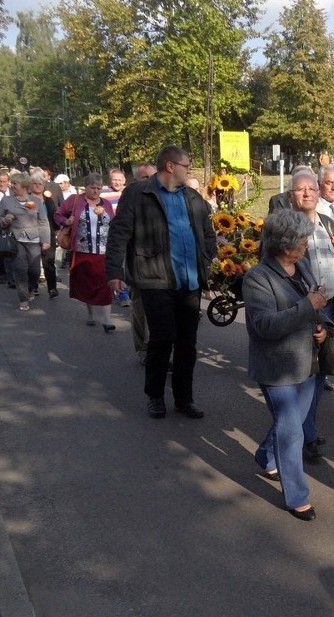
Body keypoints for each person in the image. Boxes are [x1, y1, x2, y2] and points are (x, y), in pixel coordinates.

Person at [105, 145, 216, 419]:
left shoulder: (192, 197)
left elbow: (208, 232)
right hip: (154, 278)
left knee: (187, 343)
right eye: (186, 165)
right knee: (163, 338)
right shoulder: (138, 194)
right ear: (170, 166)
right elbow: (119, 233)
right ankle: (155, 395)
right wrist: (114, 271)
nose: (188, 170)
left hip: (189, 281)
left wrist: (206, 257)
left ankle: (184, 398)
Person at [244, 210, 329, 521]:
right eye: (301, 241)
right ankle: (297, 496)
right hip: (276, 367)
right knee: (292, 429)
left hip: (309, 361)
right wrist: (309, 306)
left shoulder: (301, 265)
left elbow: (317, 307)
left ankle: (266, 454)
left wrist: (321, 326)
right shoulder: (258, 277)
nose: (306, 245)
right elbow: (264, 325)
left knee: (292, 421)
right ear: (282, 244)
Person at [287, 171, 334, 457]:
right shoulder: (287, 227)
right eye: (300, 190)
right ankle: (301, 438)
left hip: (330, 305)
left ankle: (307, 430)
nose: (307, 194)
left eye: (311, 188)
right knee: (307, 375)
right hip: (305, 308)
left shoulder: (328, 222)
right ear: (292, 195)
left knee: (321, 372)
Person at [54, 173, 116, 328]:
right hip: (82, 251)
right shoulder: (75, 201)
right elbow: (57, 215)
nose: (95, 191)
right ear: (85, 187)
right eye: (92, 188)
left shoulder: (106, 204)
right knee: (87, 284)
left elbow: (114, 223)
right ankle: (90, 314)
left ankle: (107, 320)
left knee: (104, 284)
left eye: (98, 188)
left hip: (103, 251)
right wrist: (66, 221)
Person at [0, 173, 50, 311]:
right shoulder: (6, 201)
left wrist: (46, 240)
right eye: (11, 184)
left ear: (24, 185)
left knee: (35, 271)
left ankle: (31, 288)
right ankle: (23, 299)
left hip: (33, 240)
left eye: (14, 184)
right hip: (15, 240)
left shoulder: (35, 201)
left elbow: (43, 222)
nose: (11, 186)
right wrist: (4, 220)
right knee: (20, 269)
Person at [128, 162, 158, 366]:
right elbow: (119, 233)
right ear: (136, 180)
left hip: (163, 265)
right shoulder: (130, 198)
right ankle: (142, 348)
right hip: (138, 264)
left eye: (152, 176)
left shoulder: (165, 196)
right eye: (144, 177)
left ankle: (161, 350)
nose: (150, 181)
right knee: (140, 310)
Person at [28, 173, 60, 299]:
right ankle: (33, 287)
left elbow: (54, 216)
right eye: (34, 183)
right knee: (33, 263)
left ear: (44, 185)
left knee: (49, 262)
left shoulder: (48, 200)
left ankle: (52, 288)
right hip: (32, 235)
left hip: (49, 234)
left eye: (40, 184)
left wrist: (57, 231)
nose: (37, 186)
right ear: (30, 185)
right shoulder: (27, 200)